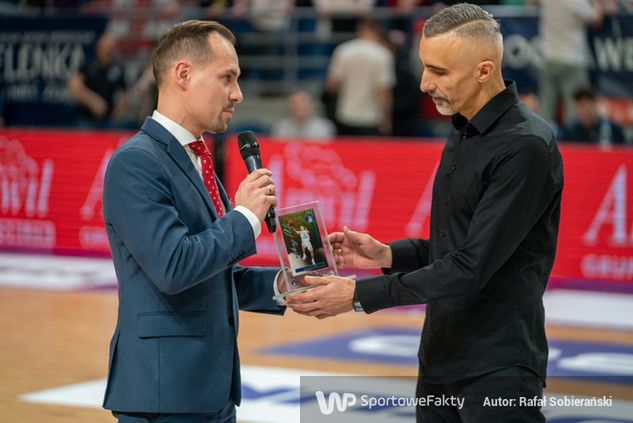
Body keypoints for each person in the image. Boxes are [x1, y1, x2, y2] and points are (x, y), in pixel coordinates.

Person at [287, 4, 563, 422]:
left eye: (438, 71)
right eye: (424, 67)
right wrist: (387, 255)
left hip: (497, 366)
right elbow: (458, 245)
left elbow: (471, 266)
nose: (423, 83)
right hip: (439, 356)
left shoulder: (524, 147)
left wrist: (359, 296)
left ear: (484, 71)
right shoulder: (463, 128)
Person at [102, 20, 289, 423]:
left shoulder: (196, 157)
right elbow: (174, 267)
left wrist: (287, 285)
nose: (237, 94)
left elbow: (217, 273)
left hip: (210, 391)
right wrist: (244, 216)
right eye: (227, 77)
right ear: (183, 74)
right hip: (164, 394)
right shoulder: (136, 162)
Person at [324, 17, 395, 136]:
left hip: (345, 114)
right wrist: (386, 119)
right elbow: (383, 91)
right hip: (370, 117)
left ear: (359, 29)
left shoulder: (343, 50)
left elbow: (332, 85)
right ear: (376, 30)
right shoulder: (383, 55)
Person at [538, 0, 606, 125]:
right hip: (571, 59)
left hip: (549, 57)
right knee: (574, 112)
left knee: (546, 109)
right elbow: (597, 19)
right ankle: (572, 142)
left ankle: (540, 142)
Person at [68, 33, 129, 128]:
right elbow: (74, 86)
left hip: (107, 121)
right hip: (85, 119)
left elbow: (124, 94)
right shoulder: (88, 65)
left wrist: (119, 110)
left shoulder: (117, 69)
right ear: (99, 49)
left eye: (111, 49)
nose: (109, 52)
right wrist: (92, 101)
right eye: (106, 48)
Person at [559, 85, 627, 146]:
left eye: (585, 105)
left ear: (594, 105)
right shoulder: (570, 131)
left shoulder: (612, 129)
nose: (582, 110)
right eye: (578, 106)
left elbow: (623, 153)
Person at [270, 89, 336, 140]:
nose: (299, 106)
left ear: (311, 104)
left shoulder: (325, 127)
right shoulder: (279, 127)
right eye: (294, 103)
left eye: (303, 101)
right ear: (288, 106)